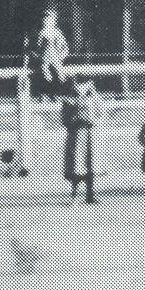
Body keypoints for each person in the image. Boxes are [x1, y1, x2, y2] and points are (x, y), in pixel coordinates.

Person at [60, 77, 104, 205]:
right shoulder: (68, 99)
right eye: (78, 84)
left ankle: (90, 195)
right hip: (76, 136)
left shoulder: (95, 98)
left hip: (90, 135)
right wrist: (73, 121)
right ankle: (74, 196)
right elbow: (64, 118)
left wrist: (93, 121)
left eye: (84, 83)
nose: (81, 87)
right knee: (76, 164)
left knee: (91, 164)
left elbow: (101, 114)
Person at [34, 9, 69, 99]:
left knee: (61, 74)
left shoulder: (57, 32)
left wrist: (62, 55)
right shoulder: (41, 32)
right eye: (45, 20)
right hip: (45, 57)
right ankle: (47, 93)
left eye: (50, 20)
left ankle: (60, 93)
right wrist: (38, 56)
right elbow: (38, 46)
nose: (47, 22)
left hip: (56, 56)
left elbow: (65, 47)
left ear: (54, 21)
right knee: (46, 74)